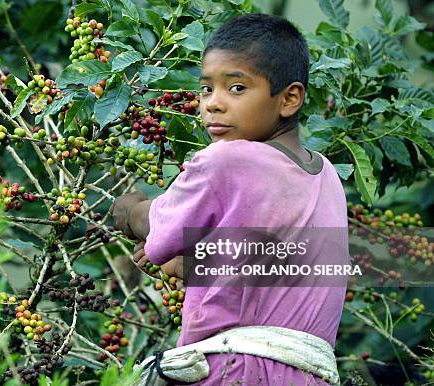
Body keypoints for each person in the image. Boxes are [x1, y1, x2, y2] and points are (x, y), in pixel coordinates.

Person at [111, 13, 348, 386]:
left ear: (289, 99)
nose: (213, 104)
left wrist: (129, 210)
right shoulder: (327, 174)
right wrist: (188, 264)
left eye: (236, 88)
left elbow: (157, 230)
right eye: (206, 89)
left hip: (234, 370)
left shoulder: (227, 158)